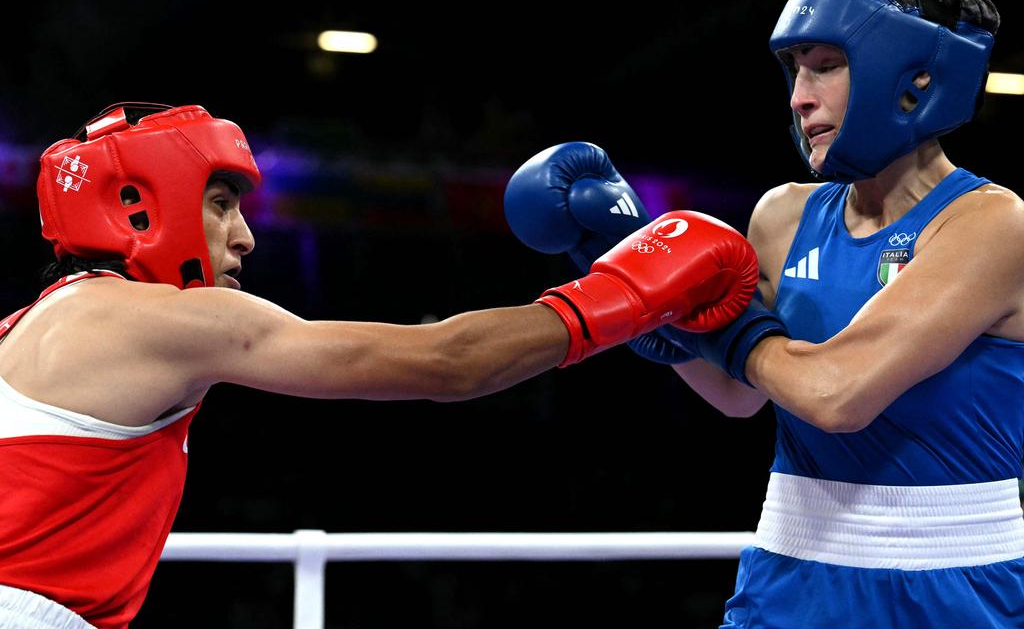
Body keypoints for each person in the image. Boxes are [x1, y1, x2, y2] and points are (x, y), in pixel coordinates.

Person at [0, 101, 757, 629]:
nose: (245, 239)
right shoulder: (170, 321)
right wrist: (623, 292)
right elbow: (447, 363)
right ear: (139, 205)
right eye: (222, 202)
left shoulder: (22, 326)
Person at [505, 0, 1024, 628]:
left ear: (912, 78)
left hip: (950, 587)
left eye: (829, 68)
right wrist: (653, 307)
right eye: (795, 72)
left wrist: (721, 318)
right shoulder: (783, 214)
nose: (801, 99)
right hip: (788, 576)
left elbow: (837, 395)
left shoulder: (991, 223)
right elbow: (738, 393)